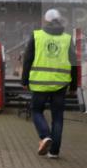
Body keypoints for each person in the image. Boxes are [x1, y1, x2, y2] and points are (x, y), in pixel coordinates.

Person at [21, 8, 78, 159]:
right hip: (60, 85)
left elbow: (27, 59)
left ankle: (45, 136)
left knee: (36, 111)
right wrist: (73, 86)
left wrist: (24, 80)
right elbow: (74, 64)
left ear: (45, 20)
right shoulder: (67, 38)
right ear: (59, 20)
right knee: (58, 117)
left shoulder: (37, 35)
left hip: (40, 84)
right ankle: (54, 152)